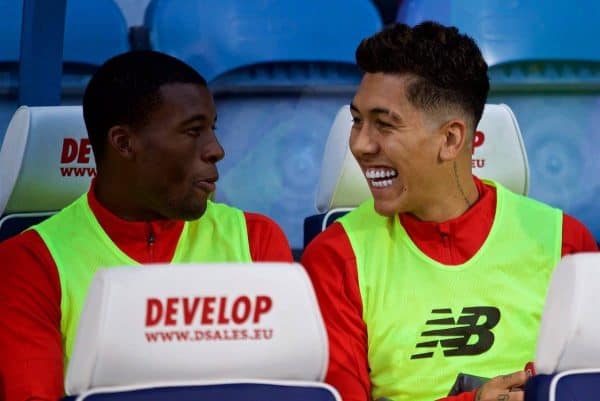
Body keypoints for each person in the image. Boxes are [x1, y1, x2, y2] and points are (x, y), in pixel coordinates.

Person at [301, 21, 598, 401]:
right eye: (357, 120)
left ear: (451, 139)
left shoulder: (566, 243)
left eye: (384, 125)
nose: (359, 145)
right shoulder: (335, 256)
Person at [0, 50, 293, 401]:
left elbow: (287, 389)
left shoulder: (256, 240)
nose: (216, 149)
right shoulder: (30, 263)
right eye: (193, 131)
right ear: (124, 143)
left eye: (212, 129)